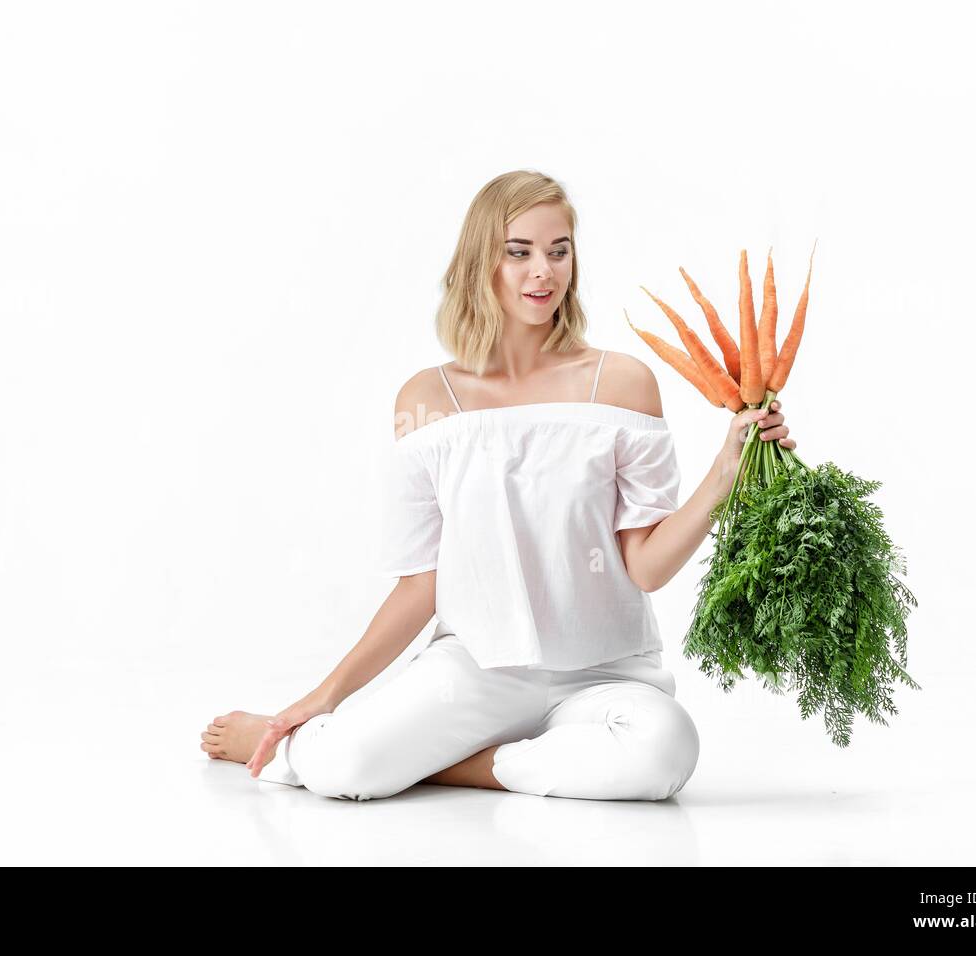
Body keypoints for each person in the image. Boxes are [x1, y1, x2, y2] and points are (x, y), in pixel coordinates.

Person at [199, 170, 795, 801]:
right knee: (343, 765)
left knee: (665, 750)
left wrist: (724, 474)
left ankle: (449, 766)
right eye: (520, 252)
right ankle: (287, 742)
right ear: (482, 260)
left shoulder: (621, 384)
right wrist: (322, 698)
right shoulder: (428, 400)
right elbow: (420, 584)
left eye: (558, 251)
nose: (544, 271)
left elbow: (644, 568)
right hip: (477, 671)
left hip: (605, 674)